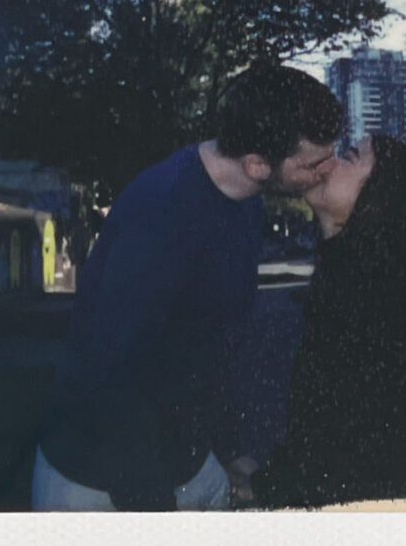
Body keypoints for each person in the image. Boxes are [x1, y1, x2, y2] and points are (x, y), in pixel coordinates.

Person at [31, 63, 343, 511]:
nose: (329, 169)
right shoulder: (162, 216)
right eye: (315, 162)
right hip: (100, 485)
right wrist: (156, 508)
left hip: (190, 465)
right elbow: (114, 379)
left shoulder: (244, 204)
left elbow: (212, 347)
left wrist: (232, 451)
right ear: (256, 164)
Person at [249, 134, 406, 509]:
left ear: (380, 199)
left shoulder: (374, 308)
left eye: (348, 156)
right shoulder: (350, 282)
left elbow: (346, 463)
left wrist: (257, 488)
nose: (326, 161)